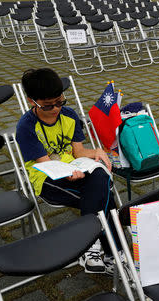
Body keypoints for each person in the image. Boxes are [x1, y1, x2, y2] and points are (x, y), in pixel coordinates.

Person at [16, 68, 120, 274]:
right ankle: (113, 252)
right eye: (48, 105)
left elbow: (79, 152)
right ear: (32, 102)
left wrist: (97, 152)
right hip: (46, 177)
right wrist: (67, 172)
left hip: (74, 168)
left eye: (59, 101)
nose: (55, 108)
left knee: (100, 176)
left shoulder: (70, 115)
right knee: (103, 194)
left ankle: (94, 248)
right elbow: (45, 162)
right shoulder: (26, 126)